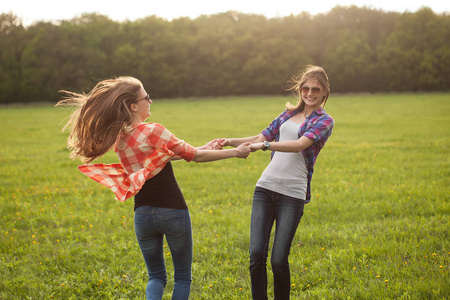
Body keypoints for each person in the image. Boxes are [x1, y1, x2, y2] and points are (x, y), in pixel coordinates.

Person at [56, 76, 251, 300]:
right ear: (133, 106)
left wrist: (204, 147)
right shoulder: (153, 130)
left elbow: (159, 159)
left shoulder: (120, 141)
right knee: (183, 277)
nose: (150, 101)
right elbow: (195, 157)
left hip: (143, 216)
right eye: (146, 97)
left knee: (156, 277)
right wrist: (236, 152)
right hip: (173, 211)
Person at [216, 65, 334, 299]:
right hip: (265, 188)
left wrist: (266, 146)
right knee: (256, 256)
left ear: (324, 93)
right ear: (300, 90)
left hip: (293, 194)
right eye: (306, 88)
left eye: (315, 89)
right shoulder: (287, 114)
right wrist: (229, 141)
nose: (309, 93)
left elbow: (300, 144)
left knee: (279, 259)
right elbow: (260, 137)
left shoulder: (325, 121)